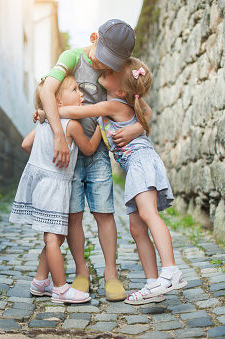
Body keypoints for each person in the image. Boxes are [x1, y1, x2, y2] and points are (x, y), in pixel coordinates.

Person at [47, 57, 187, 305]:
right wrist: (138, 127)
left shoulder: (113, 104)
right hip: (135, 166)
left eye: (111, 71)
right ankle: (153, 282)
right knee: (137, 229)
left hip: (140, 161)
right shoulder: (128, 101)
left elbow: (78, 111)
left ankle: (171, 270)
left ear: (121, 89)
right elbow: (146, 112)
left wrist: (47, 110)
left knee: (149, 216)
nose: (105, 69)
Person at [38, 19, 152, 300]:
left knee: (104, 212)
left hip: (100, 153)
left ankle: (111, 274)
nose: (106, 66)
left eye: (114, 62)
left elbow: (144, 109)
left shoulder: (119, 67)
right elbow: (46, 90)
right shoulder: (73, 57)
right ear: (93, 38)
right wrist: (57, 134)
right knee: (73, 216)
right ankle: (81, 272)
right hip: (71, 155)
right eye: (105, 58)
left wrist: (137, 128)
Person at [9, 76, 102, 304]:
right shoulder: (71, 125)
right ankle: (60, 289)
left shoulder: (44, 122)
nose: (81, 94)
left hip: (41, 184)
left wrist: (42, 158)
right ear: (57, 102)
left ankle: (40, 281)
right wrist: (101, 126)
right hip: (55, 186)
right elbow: (89, 149)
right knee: (53, 239)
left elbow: (25, 145)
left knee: (55, 238)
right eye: (74, 89)